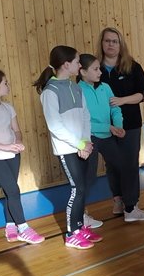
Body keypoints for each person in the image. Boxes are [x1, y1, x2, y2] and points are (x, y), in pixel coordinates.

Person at [33, 45, 102, 249]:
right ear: (66, 64)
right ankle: (72, 233)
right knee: (77, 188)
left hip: (82, 146)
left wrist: (86, 142)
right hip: (67, 149)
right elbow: (55, 126)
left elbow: (85, 115)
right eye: (77, 62)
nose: (80, 65)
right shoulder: (50, 92)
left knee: (83, 188)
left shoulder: (75, 87)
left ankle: (80, 227)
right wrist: (79, 144)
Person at [0, 70, 45, 244]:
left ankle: (11, 226)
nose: (8, 86)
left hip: (13, 155)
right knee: (13, 190)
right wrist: (5, 147)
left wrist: (17, 142)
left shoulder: (8, 107)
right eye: (5, 83)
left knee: (9, 191)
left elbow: (17, 131)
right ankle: (23, 228)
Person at [78, 54, 144, 226]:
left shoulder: (105, 88)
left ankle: (130, 209)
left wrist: (118, 126)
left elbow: (115, 109)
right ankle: (80, 215)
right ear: (83, 72)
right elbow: (81, 120)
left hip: (108, 136)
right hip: (90, 138)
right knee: (89, 177)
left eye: (99, 68)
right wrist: (108, 127)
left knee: (125, 167)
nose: (100, 72)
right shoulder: (77, 91)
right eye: (96, 69)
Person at [96, 27, 144, 222]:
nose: (111, 44)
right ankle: (118, 201)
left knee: (129, 163)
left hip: (130, 124)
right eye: (107, 41)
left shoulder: (132, 67)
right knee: (112, 164)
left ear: (121, 45)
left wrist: (121, 100)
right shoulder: (95, 69)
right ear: (102, 43)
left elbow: (142, 94)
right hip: (104, 126)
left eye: (115, 41)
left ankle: (131, 206)